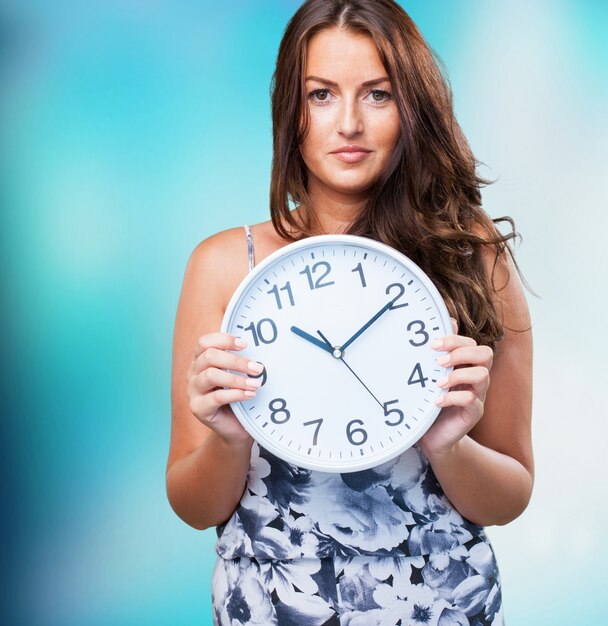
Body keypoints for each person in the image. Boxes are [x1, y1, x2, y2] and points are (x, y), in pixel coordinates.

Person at [166, 0, 533, 624]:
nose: (349, 124)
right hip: (273, 607)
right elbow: (195, 505)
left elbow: (511, 493)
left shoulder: (469, 255)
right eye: (321, 95)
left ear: (410, 107)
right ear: (291, 107)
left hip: (440, 605)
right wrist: (228, 439)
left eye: (378, 94)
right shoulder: (227, 266)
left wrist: (449, 446)